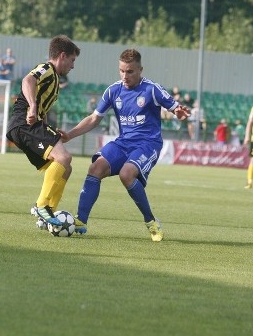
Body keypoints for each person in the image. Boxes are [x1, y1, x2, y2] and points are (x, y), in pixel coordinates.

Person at [62, 48, 191, 242]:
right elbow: (94, 119)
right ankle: (81, 222)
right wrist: (69, 135)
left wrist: (178, 112)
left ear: (140, 70)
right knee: (95, 168)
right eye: (122, 71)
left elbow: (174, 106)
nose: (125, 76)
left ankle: (151, 222)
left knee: (126, 174)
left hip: (148, 144)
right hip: (124, 142)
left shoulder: (151, 89)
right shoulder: (113, 91)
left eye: (130, 71)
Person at [6, 35, 80, 228]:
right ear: (62, 56)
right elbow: (28, 80)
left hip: (28, 125)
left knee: (66, 167)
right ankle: (41, 205)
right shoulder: (47, 69)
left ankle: (47, 216)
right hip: (24, 123)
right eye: (72, 60)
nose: (72, 66)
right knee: (63, 158)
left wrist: (48, 129)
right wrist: (32, 107)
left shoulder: (54, 79)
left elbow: (43, 109)